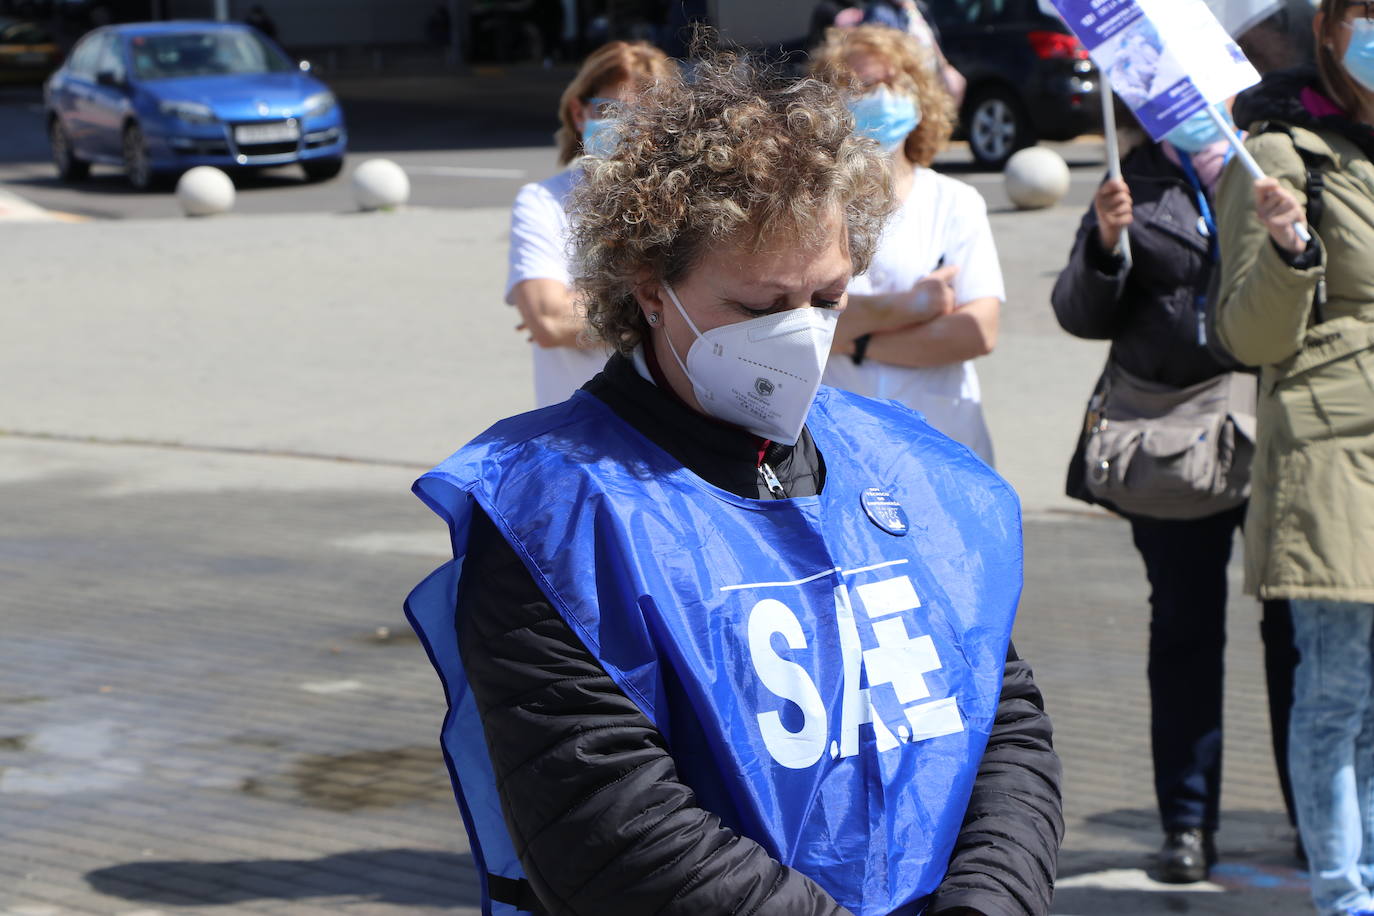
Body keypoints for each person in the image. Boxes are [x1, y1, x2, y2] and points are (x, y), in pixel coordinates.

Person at [408, 49, 1063, 916]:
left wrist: (989, 903)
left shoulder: (910, 468)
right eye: (760, 308)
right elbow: (611, 829)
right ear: (649, 287)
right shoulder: (555, 513)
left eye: (828, 297)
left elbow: (1001, 720)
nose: (800, 334)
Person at [1050, 100, 1299, 884]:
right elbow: (1079, 312)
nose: (1196, 113)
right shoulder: (1133, 180)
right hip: (1173, 439)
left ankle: (1315, 813)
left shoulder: (1277, 167)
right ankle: (1187, 823)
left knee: (1297, 634)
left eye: (1212, 98)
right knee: (1185, 631)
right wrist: (1106, 241)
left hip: (1277, 428)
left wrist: (1285, 228)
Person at [1214, 2, 1374, 912]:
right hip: (1332, 452)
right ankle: (1345, 894)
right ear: (1327, 29)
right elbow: (1244, 332)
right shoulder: (1281, 151)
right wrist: (1292, 248)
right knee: (1339, 687)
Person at [809, 24, 1001, 465]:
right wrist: (907, 310)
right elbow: (793, 326)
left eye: (890, 83)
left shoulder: (955, 202)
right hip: (838, 447)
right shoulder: (810, 208)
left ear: (918, 94)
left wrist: (853, 338)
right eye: (858, 86)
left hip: (939, 442)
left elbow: (976, 332)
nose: (877, 97)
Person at [504, 40, 674, 408]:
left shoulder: (687, 202)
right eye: (609, 110)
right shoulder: (543, 202)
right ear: (580, 114)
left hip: (669, 440)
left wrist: (584, 309)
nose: (626, 127)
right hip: (572, 435)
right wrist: (657, 307)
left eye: (644, 115)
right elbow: (550, 322)